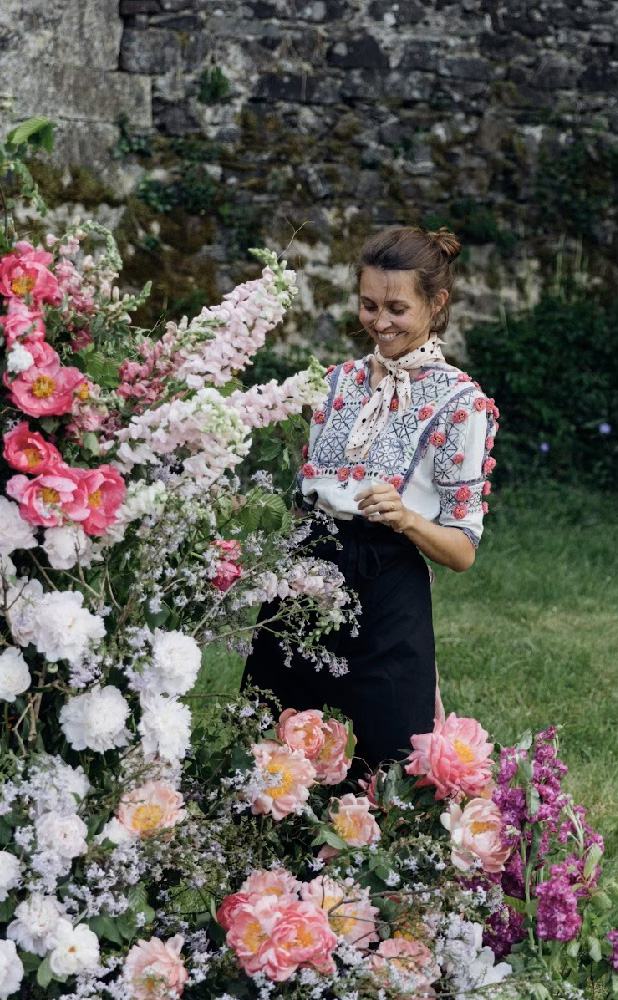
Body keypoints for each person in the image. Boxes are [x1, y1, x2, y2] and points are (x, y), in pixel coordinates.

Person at [241, 225, 498, 773]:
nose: (380, 322)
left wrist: (405, 517)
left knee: (390, 754)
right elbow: (303, 493)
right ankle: (267, 858)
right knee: (271, 739)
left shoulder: (461, 405)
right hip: (306, 570)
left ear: (437, 302)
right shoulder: (335, 384)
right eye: (368, 305)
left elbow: (462, 552)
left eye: (397, 308)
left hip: (387, 580)